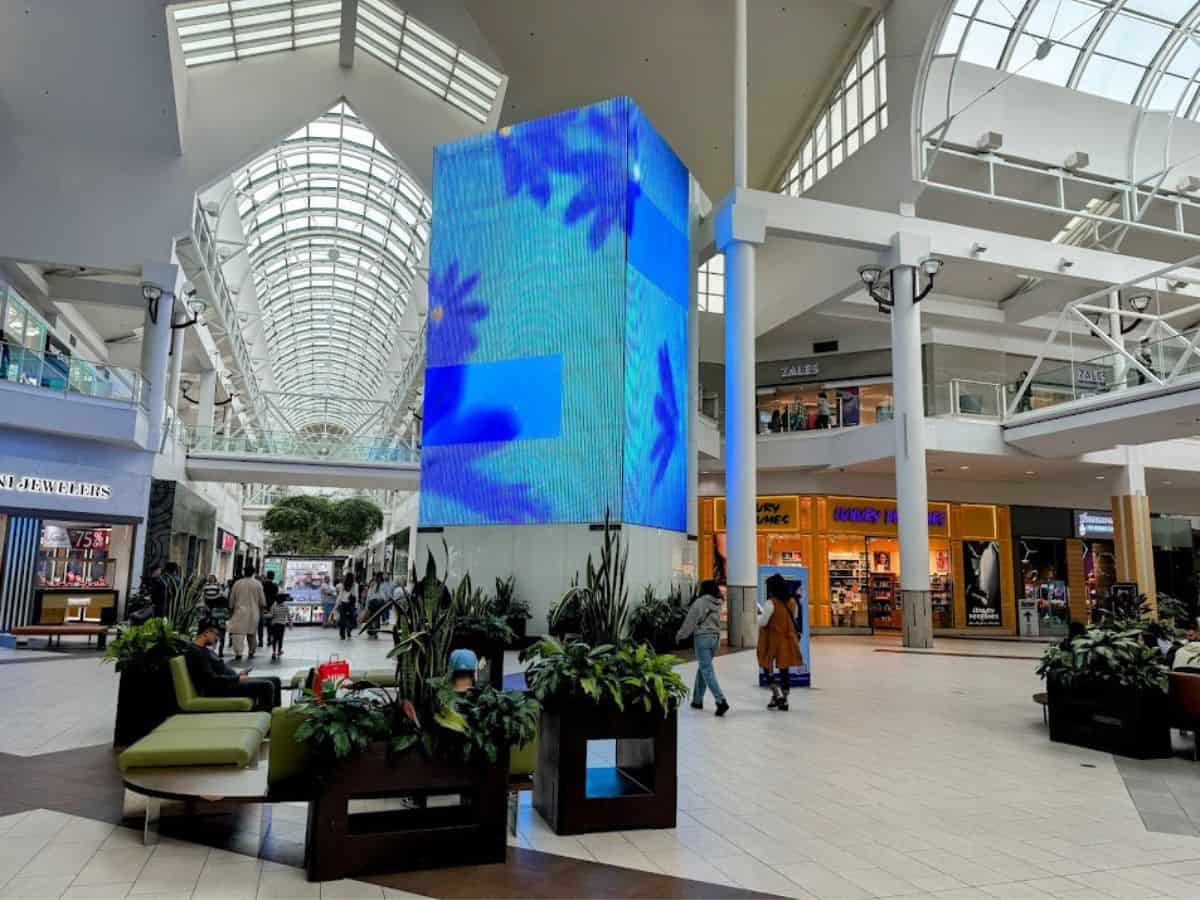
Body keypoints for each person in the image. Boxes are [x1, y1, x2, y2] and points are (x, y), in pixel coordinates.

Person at [184, 619, 281, 711]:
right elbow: (211, 679)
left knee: (275, 680)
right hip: (220, 688)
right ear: (206, 633)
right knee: (267, 686)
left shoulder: (204, 649)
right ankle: (266, 717)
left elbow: (219, 670)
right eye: (216, 634)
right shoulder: (196, 652)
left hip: (230, 681)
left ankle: (277, 716)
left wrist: (238, 675)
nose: (217, 638)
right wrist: (236, 678)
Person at [676, 580, 728, 716]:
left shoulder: (699, 602)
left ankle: (721, 700)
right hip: (715, 639)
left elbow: (690, 621)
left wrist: (680, 635)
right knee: (703, 669)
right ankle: (697, 700)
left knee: (706, 670)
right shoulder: (718, 602)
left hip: (703, 638)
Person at [757, 573, 803, 712]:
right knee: (784, 668)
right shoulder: (793, 602)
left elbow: (763, 622)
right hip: (787, 639)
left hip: (771, 639)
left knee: (766, 664)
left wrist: (758, 616)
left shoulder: (770, 603)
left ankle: (776, 693)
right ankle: (784, 698)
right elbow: (793, 618)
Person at [227, 565, 264, 661]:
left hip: (239, 612)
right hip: (254, 612)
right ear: (253, 573)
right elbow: (262, 601)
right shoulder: (258, 584)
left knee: (238, 633)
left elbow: (232, 599)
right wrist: (262, 611)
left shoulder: (237, 583)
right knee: (252, 634)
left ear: (244, 572)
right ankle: (251, 651)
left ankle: (238, 653)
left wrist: (231, 610)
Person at [267, 590, 290, 661]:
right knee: (280, 638)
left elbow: (271, 615)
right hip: (282, 625)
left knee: (274, 639)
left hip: (274, 625)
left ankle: (273, 652)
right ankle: (279, 651)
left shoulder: (273, 606)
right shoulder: (286, 606)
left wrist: (264, 615)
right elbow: (288, 616)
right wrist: (290, 623)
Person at [258, 571, 279, 649]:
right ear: (273, 577)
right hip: (271, 608)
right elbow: (276, 597)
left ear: (267, 576)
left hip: (262, 607)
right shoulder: (275, 586)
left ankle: (260, 641)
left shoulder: (262, 585)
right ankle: (269, 639)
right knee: (270, 625)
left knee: (260, 625)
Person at [336, 573, 359, 641]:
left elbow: (340, 596)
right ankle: (349, 630)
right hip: (351, 604)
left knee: (343, 620)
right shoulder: (355, 585)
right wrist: (356, 605)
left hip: (343, 604)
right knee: (352, 619)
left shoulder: (343, 585)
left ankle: (342, 635)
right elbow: (356, 595)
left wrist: (337, 605)